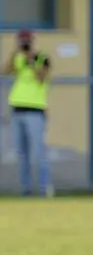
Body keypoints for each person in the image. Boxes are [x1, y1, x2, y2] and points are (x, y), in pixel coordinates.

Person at [3, 29, 52, 197]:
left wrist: (31, 60)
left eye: (26, 40)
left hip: (35, 110)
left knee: (38, 152)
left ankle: (45, 188)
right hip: (17, 108)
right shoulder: (18, 58)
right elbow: (5, 71)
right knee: (21, 152)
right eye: (21, 40)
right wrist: (15, 55)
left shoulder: (41, 58)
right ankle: (26, 189)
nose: (24, 43)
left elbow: (42, 78)